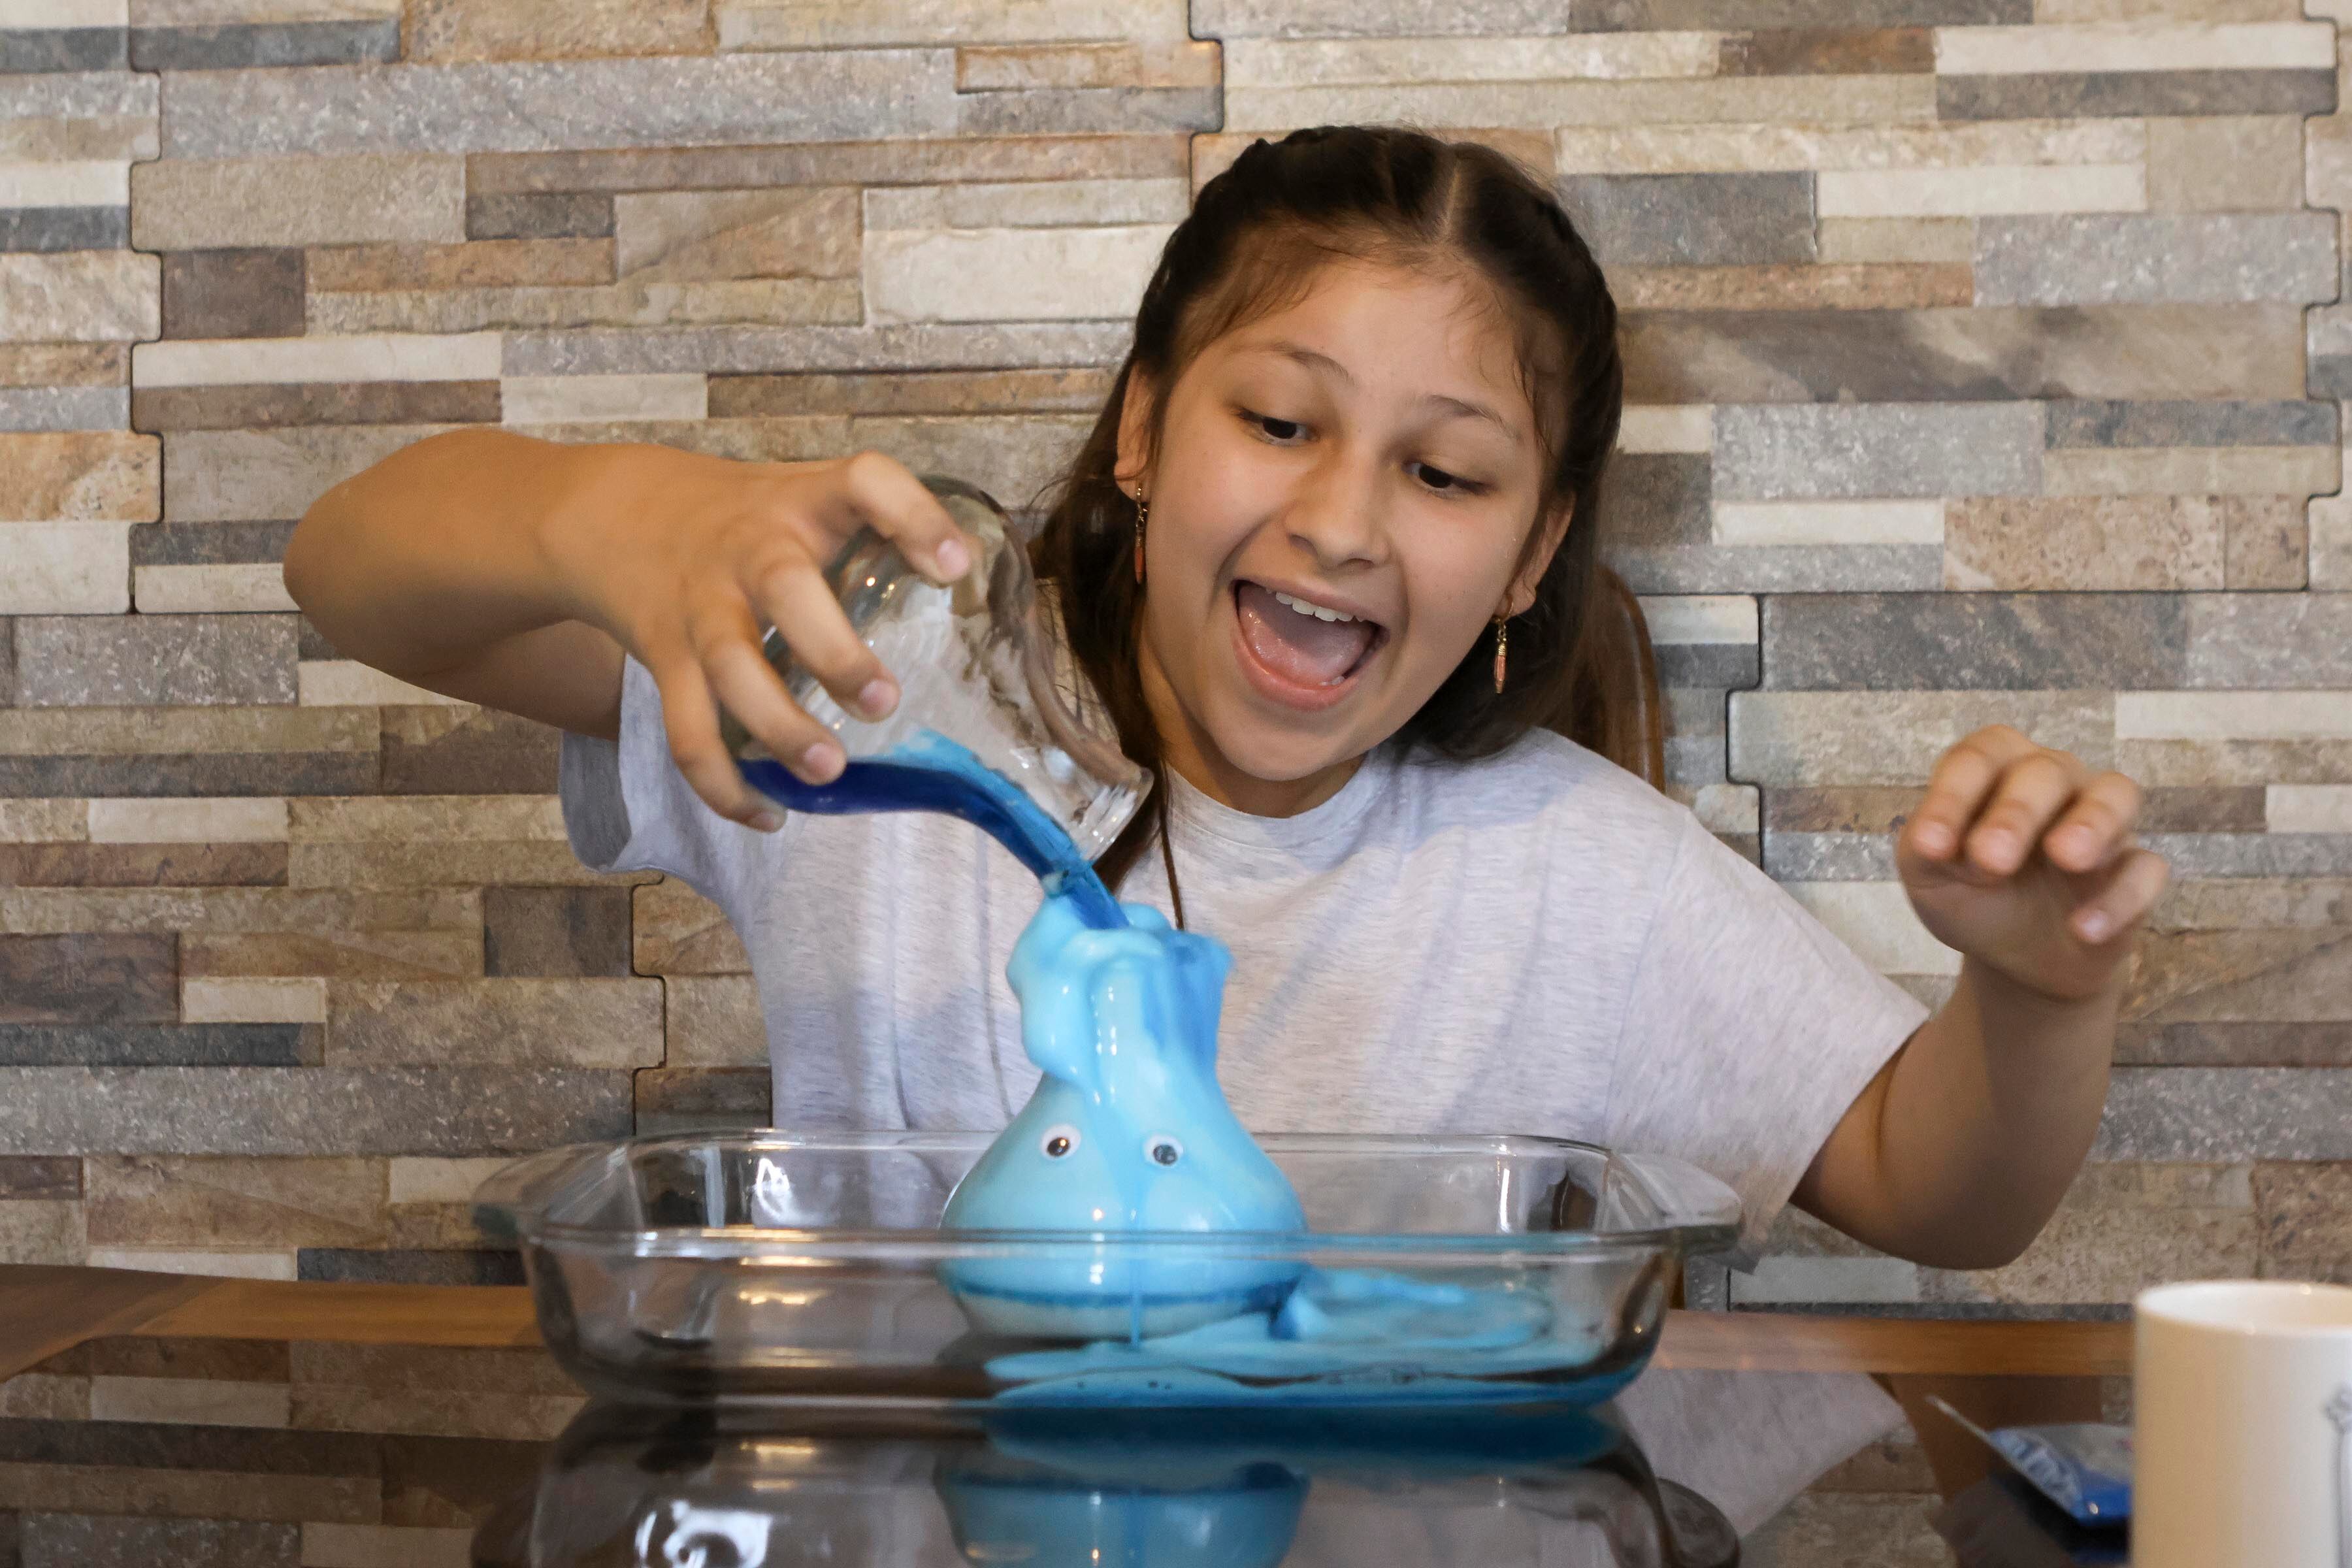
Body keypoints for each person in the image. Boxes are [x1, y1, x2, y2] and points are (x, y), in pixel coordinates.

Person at [287, 125, 2168, 1280]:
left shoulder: (1586, 881)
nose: (1341, 523)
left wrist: (2036, 986)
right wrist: (622, 516)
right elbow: (352, 574)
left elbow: (1948, 1194)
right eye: (1278, 422)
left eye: (1447, 476)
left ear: (1534, 555)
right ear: (1141, 430)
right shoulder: (886, 724)